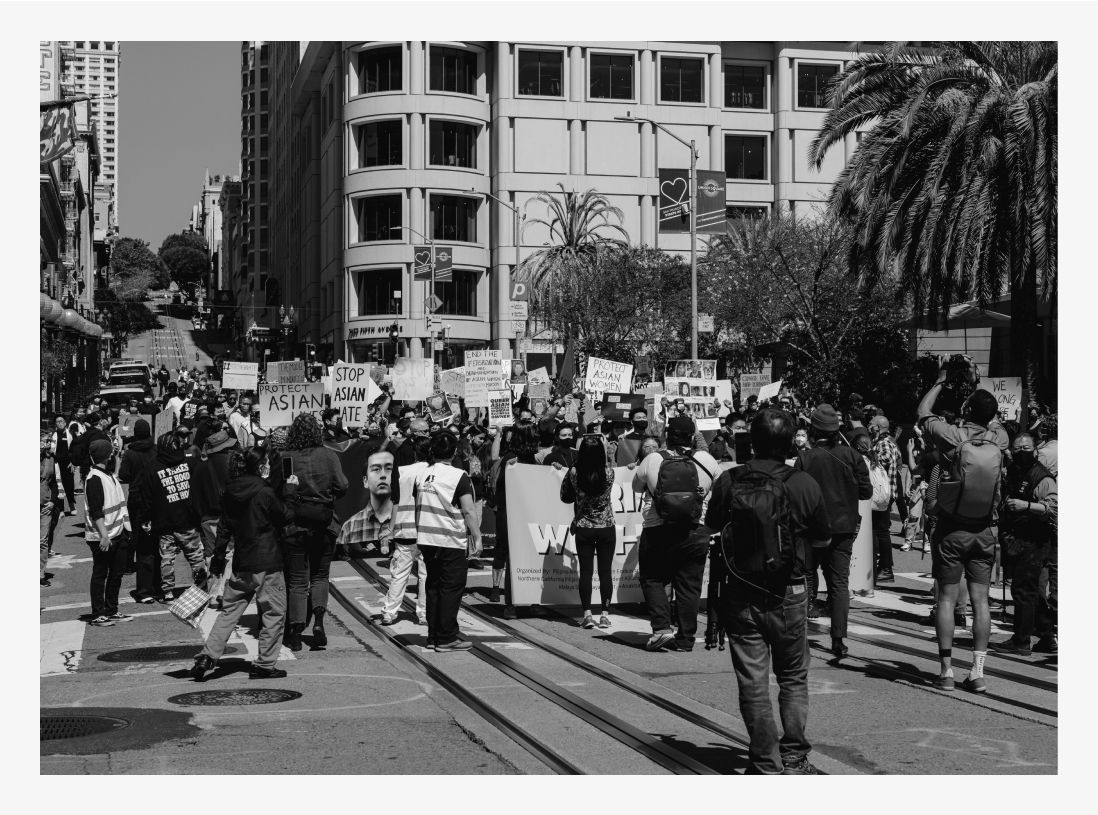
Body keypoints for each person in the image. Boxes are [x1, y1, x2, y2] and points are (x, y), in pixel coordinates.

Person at [705, 409, 832, 775]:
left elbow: (712, 523)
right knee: (793, 676)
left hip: (741, 591)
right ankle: (793, 757)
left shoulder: (731, 480)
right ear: (791, 442)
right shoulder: (803, 483)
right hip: (789, 590)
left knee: (753, 679)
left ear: (751, 440)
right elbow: (823, 537)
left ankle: (764, 762)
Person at [917, 360, 1009, 693]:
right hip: (985, 531)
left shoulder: (953, 436)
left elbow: (923, 412)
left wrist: (942, 381)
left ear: (967, 409)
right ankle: (978, 671)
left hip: (952, 530)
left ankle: (945, 671)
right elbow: (992, 413)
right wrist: (978, 383)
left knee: (946, 599)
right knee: (981, 600)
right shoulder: (1000, 439)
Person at [191, 448, 298, 681]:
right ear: (260, 467)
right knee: (274, 613)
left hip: (242, 563)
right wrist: (290, 492)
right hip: (268, 562)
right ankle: (265, 665)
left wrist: (218, 559)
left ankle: (208, 656)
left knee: (229, 613)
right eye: (266, 463)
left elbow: (224, 528)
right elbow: (286, 516)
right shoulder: (265, 492)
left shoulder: (230, 492)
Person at [632, 415, 720, 651]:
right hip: (695, 528)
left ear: (667, 436)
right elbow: (721, 487)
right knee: (689, 585)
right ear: (692, 437)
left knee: (652, 578)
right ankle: (686, 639)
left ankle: (661, 629)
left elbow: (636, 486)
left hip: (657, 528)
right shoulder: (706, 460)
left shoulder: (652, 459)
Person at [794, 404, 872, 657]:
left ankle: (799, 634)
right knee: (839, 583)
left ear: (814, 430)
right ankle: (838, 638)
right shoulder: (851, 456)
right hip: (843, 528)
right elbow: (866, 491)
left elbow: (795, 493)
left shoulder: (805, 458)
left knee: (805, 578)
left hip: (811, 528)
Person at [277, 413, 349, 651]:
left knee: (297, 581)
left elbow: (279, 489)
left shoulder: (285, 457)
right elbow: (343, 486)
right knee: (320, 576)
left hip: (295, 525)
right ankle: (318, 622)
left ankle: (295, 632)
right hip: (324, 523)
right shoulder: (329, 455)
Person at [414, 432, 482, 651]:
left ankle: (433, 635)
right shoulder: (458, 476)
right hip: (450, 538)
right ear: (454, 452)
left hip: (427, 537)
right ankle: (446, 638)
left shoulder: (422, 474)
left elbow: (418, 506)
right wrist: (477, 537)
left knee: (433, 585)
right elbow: (469, 510)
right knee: (451, 588)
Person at [992, 433, 1057, 655]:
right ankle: (1047, 635)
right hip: (1017, 538)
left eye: (1026, 448)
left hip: (1034, 540)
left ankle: (1021, 641)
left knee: (1023, 591)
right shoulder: (1013, 471)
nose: (1021, 452)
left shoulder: (1042, 477)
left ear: (1035, 450)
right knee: (1030, 590)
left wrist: (1025, 505)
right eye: (1017, 448)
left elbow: (1054, 508)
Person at [131, 430, 209, 603]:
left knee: (167, 560)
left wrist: (145, 519)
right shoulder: (190, 463)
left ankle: (167, 592)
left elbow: (147, 498)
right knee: (196, 556)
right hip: (188, 520)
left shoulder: (152, 468)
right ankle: (202, 587)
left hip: (163, 522)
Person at [560, 435, 617, 629]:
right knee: (605, 572)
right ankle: (605, 614)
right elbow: (607, 459)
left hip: (584, 526)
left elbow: (564, 495)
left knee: (585, 572)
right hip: (606, 526)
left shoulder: (575, 472)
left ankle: (586, 614)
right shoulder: (609, 473)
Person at [83, 439, 134, 626]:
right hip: (103, 537)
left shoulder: (108, 474)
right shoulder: (94, 479)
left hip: (117, 532)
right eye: (111, 453)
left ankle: (112, 609)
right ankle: (98, 614)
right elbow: (96, 511)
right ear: (106, 455)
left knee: (116, 573)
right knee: (100, 574)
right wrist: (104, 535)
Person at [489, 425, 539, 607]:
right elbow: (503, 487)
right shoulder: (510, 458)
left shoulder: (532, 459)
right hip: (508, 512)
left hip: (525, 512)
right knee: (503, 548)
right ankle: (497, 588)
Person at [117, 419, 160, 603]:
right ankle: (158, 586)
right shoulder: (156, 450)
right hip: (156, 499)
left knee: (140, 543)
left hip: (137, 499)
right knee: (158, 544)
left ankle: (144, 590)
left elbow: (124, 475)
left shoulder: (130, 452)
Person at [869, 414, 902, 582]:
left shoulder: (883, 443)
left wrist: (870, 456)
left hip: (882, 495)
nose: (869, 425)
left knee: (880, 532)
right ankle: (884, 566)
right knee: (881, 531)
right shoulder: (887, 441)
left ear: (878, 427)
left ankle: (885, 568)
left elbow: (887, 457)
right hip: (885, 495)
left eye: (871, 423)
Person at [40, 435, 62, 586]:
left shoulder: (51, 458)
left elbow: (53, 482)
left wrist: (53, 501)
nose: (48, 443)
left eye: (49, 441)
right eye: (44, 440)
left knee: (42, 540)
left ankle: (40, 574)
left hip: (45, 505)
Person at [51, 415, 78, 514]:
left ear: (65, 423)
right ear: (55, 424)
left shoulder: (70, 433)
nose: (60, 423)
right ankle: (61, 509)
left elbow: (76, 449)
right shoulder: (53, 434)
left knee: (69, 485)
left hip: (68, 463)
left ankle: (71, 504)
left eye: (61, 421)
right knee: (59, 485)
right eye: (57, 421)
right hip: (57, 463)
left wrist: (73, 462)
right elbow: (52, 449)